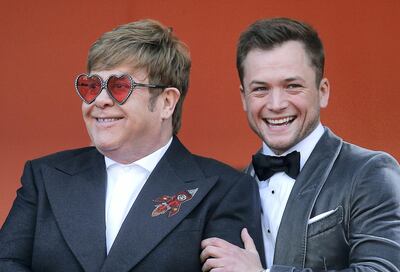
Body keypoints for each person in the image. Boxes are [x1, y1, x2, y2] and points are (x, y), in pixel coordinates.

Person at [0, 19, 264, 271]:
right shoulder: (45, 176)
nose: (100, 100)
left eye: (119, 86)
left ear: (166, 102)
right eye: (91, 86)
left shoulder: (224, 189)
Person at [201, 17, 400, 272]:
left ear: (323, 91)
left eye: (292, 86)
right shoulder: (231, 189)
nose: (276, 104)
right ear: (244, 97)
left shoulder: (370, 173)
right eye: (260, 89)